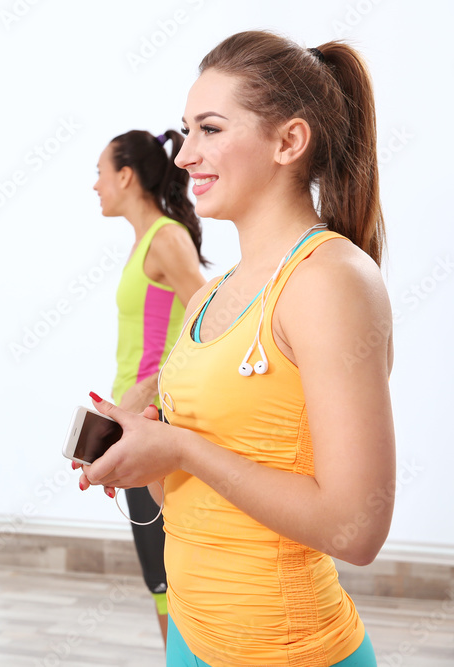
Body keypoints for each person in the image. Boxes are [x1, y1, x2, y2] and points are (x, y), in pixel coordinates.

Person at [78, 31, 394, 667]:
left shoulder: (331, 281)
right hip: (191, 640)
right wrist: (142, 453)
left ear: (288, 142)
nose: (187, 155)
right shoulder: (207, 297)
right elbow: (193, 493)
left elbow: (356, 530)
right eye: (186, 130)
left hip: (285, 651)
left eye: (211, 129)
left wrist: (181, 446)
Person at [91, 128, 207, 644]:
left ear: (125, 175)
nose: (94, 186)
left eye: (100, 173)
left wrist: (150, 389)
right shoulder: (146, 241)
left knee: (171, 575)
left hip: (160, 422)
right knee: (158, 578)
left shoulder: (166, 237)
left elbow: (215, 318)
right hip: (137, 419)